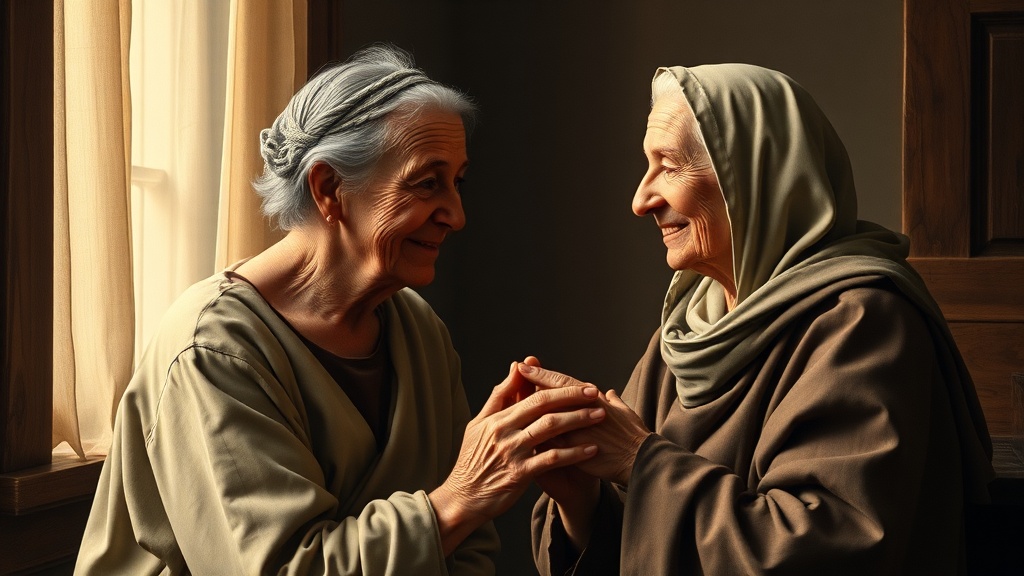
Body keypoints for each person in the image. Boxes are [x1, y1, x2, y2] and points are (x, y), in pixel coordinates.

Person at [75, 44, 607, 575]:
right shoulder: (212, 351)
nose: (456, 215)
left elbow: (469, 553)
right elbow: (283, 568)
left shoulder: (420, 331)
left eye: (457, 182)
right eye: (427, 183)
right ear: (330, 189)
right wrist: (463, 495)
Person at [521, 63, 994, 575]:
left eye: (669, 165)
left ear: (753, 174)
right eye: (646, 165)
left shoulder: (863, 321)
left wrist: (640, 462)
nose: (641, 200)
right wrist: (582, 499)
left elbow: (827, 550)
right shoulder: (684, 329)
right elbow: (637, 527)